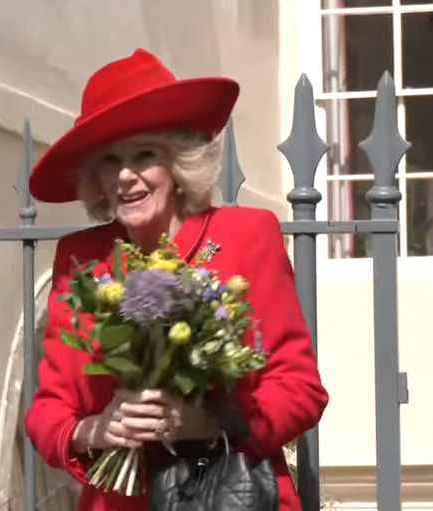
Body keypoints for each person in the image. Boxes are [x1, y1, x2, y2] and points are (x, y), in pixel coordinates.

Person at [23, 48, 329, 511]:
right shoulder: (80, 258)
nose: (126, 176)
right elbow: (47, 411)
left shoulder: (246, 236)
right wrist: (94, 430)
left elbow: (300, 389)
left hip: (228, 496)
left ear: (179, 162)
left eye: (144, 155)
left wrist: (207, 422)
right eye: (110, 161)